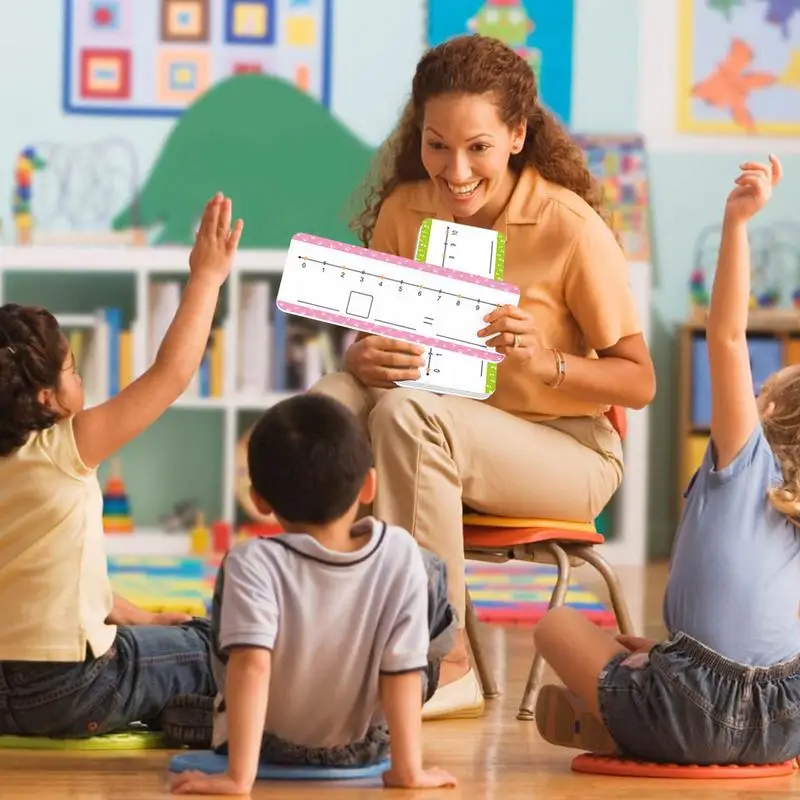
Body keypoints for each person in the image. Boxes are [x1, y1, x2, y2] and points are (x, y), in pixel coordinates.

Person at [310, 33, 656, 720]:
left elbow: (639, 382)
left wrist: (548, 362)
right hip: (437, 431)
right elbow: (381, 348)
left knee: (409, 416)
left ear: (517, 136)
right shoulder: (405, 209)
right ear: (419, 136)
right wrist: (358, 358)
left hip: (566, 449)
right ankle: (319, 631)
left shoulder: (568, 228)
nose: (455, 169)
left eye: (478, 148)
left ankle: (449, 661)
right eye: (438, 145)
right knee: (327, 404)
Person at [533, 155, 800, 766]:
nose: (753, 395)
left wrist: (736, 224)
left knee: (555, 626)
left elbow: (728, 336)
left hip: (695, 703)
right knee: (651, 652)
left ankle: (632, 716)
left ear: (772, 418)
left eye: (765, 392)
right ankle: (643, 694)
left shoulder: (745, 461)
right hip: (786, 722)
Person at [0, 193, 242, 739]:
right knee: (220, 641)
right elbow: (172, 374)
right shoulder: (68, 445)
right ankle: (222, 717)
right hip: (73, 689)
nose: (80, 381)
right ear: (45, 399)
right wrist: (206, 278)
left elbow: (46, 580)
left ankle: (176, 703)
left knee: (158, 638)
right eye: (72, 370)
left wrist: (140, 616)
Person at [168, 394, 458, 796]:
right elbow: (403, 670)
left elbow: (251, 667)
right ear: (369, 486)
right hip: (366, 748)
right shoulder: (401, 554)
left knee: (237, 633)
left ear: (258, 500)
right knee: (429, 572)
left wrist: (238, 778)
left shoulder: (250, 562)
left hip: (268, 746)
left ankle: (215, 717)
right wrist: (409, 772)